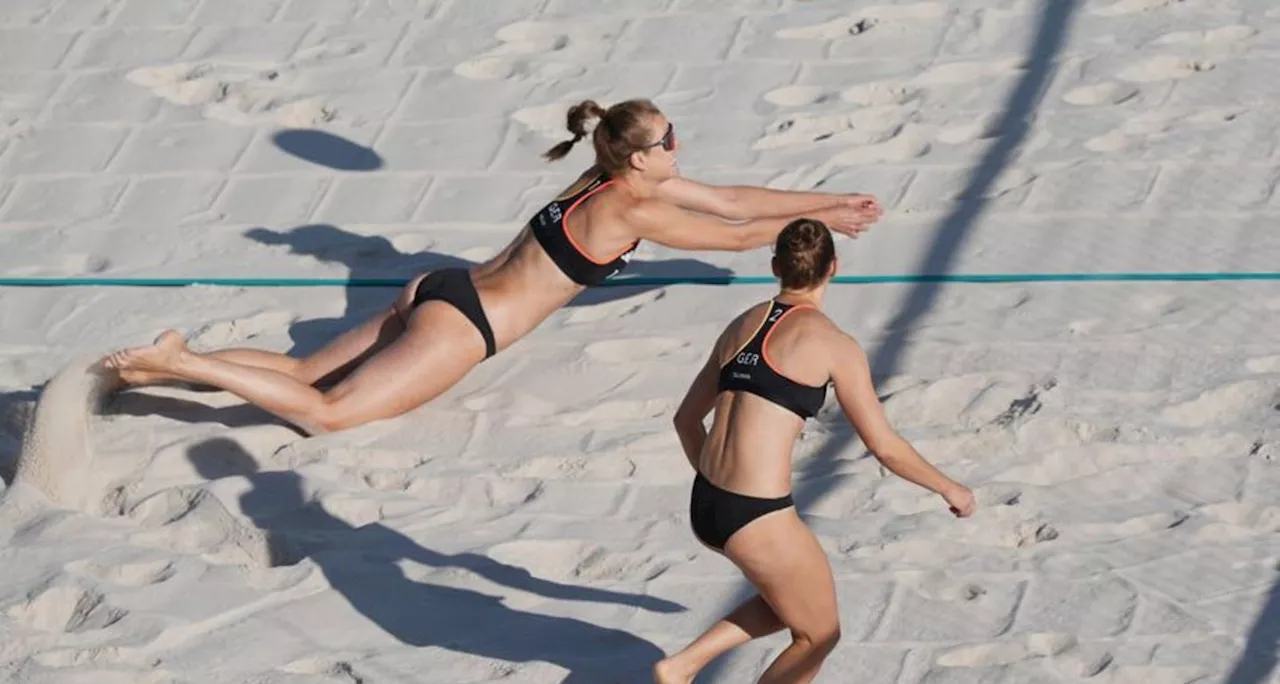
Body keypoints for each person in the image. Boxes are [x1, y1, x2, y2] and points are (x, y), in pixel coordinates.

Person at [99, 98, 883, 435]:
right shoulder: (633, 208)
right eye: (670, 139)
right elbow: (741, 232)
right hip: (462, 325)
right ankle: (186, 359)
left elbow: (734, 198)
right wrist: (817, 220)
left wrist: (831, 201)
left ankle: (152, 372)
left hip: (439, 288)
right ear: (643, 156)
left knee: (305, 371)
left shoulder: (603, 179)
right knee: (325, 414)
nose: (679, 146)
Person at [651, 218, 977, 684]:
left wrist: (719, 486)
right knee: (818, 635)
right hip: (755, 513)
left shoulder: (741, 324)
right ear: (834, 269)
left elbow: (685, 420)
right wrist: (949, 488)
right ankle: (695, 681)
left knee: (793, 602)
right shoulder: (833, 344)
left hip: (706, 502)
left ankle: (683, 667)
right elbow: (884, 447)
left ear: (776, 267)